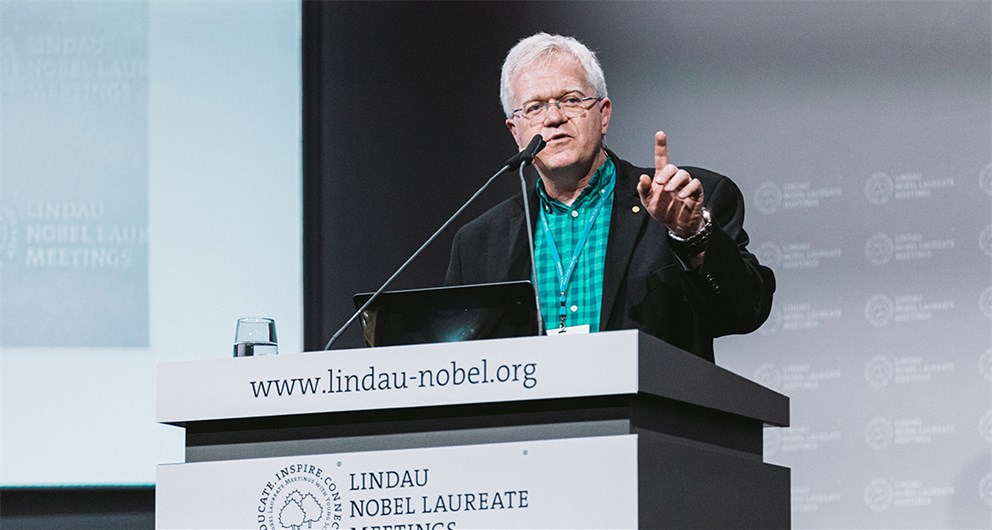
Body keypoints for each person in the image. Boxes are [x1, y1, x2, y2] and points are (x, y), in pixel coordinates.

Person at [445, 33, 774, 362]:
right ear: (515, 132)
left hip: (649, 412)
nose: (554, 117)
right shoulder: (479, 244)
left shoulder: (684, 199)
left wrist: (691, 235)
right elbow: (460, 366)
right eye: (535, 107)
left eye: (571, 100)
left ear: (603, 115)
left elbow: (745, 312)